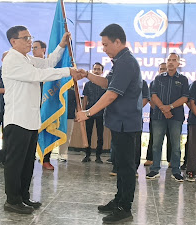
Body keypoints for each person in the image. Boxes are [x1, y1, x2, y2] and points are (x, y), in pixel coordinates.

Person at [2, 25, 82, 214]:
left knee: (27, 161)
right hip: (17, 119)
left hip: (30, 120)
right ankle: (12, 200)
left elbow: (47, 64)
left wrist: (61, 46)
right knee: (15, 162)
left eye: (30, 37)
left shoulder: (27, 58)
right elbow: (37, 75)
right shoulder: (12, 59)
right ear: (14, 42)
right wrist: (67, 71)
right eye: (25, 38)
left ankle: (23, 196)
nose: (30, 41)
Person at [76, 23, 142, 223]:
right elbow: (107, 83)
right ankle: (119, 199)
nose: (103, 49)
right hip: (119, 123)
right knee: (120, 165)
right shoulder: (119, 61)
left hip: (126, 123)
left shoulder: (126, 62)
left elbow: (112, 94)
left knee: (127, 167)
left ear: (118, 41)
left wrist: (87, 112)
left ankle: (125, 208)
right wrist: (87, 75)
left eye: (106, 44)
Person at [145, 53, 189, 182]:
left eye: (174, 60)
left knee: (175, 145)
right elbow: (153, 95)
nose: (171, 62)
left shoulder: (183, 79)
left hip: (176, 117)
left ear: (178, 63)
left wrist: (169, 107)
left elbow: (185, 97)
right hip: (159, 116)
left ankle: (176, 171)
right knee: (156, 144)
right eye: (169, 60)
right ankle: (155, 169)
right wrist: (164, 109)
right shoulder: (158, 79)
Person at [31, 40, 55, 170]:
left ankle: (46, 159)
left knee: (46, 130)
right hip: (31, 103)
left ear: (44, 50)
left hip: (46, 103)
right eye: (32, 48)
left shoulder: (49, 66)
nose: (33, 50)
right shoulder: (29, 64)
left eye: (36, 47)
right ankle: (30, 156)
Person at [181, 64, 196, 170]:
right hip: (194, 119)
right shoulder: (193, 85)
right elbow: (188, 101)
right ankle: (187, 164)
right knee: (191, 143)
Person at [82, 62, 106, 163]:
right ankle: (87, 155)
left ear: (102, 71)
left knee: (100, 135)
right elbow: (85, 99)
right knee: (88, 134)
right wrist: (83, 112)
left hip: (101, 113)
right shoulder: (87, 84)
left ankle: (98, 156)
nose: (96, 71)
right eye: (95, 69)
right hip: (89, 113)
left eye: (98, 69)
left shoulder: (105, 84)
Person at [144, 62, 167, 166]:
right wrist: (160, 109)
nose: (163, 71)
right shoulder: (154, 82)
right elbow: (150, 98)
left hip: (170, 114)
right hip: (156, 114)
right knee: (153, 137)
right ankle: (150, 158)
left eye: (164, 69)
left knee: (171, 138)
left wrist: (166, 110)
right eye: (161, 69)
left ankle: (170, 160)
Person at [57, 87, 76, 162]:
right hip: (57, 116)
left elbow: (76, 104)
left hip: (69, 116)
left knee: (67, 136)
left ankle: (63, 154)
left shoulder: (73, 92)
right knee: (53, 135)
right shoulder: (57, 90)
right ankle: (46, 155)